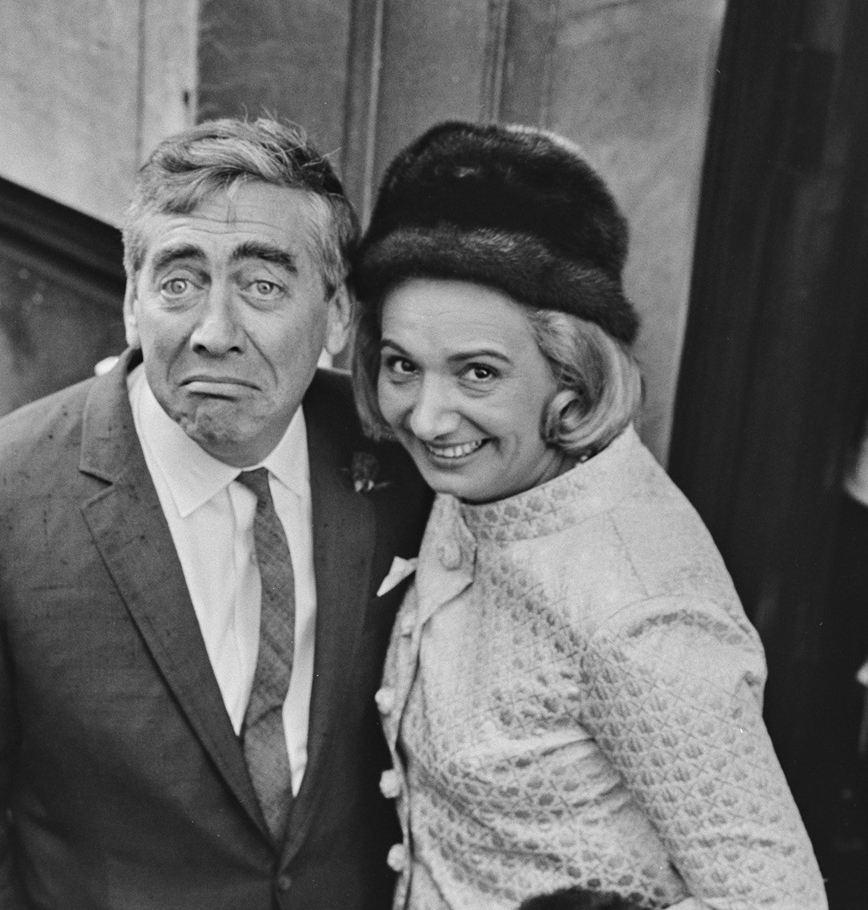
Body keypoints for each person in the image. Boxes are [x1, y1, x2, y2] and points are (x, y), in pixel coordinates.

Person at [0, 117, 431, 910]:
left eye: (263, 285)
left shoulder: (394, 459)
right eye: (179, 282)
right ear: (133, 305)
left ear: (338, 315)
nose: (214, 333)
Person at [349, 121, 828, 910]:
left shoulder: (641, 615)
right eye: (402, 365)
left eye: (477, 372)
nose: (427, 418)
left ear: (571, 376)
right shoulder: (489, 474)